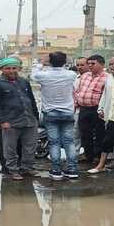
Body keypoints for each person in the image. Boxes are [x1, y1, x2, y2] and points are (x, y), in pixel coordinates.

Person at [0, 56, 39, 180]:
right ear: (1, 69)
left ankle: (27, 167)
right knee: (10, 148)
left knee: (30, 146)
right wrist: (1, 121)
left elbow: (31, 100)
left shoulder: (24, 82)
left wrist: (36, 117)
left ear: (19, 68)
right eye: (8, 68)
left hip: (28, 120)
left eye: (14, 68)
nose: (11, 71)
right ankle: (12, 170)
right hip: (10, 121)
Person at [32, 51, 79, 180]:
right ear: (64, 62)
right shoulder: (71, 74)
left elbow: (33, 75)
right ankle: (72, 169)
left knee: (54, 142)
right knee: (69, 142)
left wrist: (40, 63)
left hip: (50, 113)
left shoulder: (43, 76)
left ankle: (56, 170)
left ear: (50, 61)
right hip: (68, 113)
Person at [74, 54, 109, 165]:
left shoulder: (107, 78)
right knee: (84, 133)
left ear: (102, 64)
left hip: (97, 109)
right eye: (88, 63)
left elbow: (107, 95)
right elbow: (78, 91)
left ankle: (97, 156)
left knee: (99, 133)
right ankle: (88, 155)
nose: (90, 66)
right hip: (83, 109)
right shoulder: (85, 76)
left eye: (93, 63)